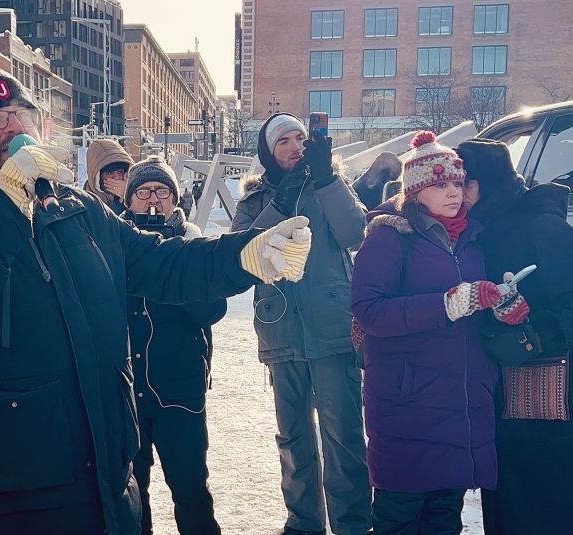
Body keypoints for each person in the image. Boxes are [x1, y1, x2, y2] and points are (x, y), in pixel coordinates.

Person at [0, 69, 313, 535]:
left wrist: (245, 254)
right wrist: (4, 205)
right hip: (13, 493)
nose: (14, 128)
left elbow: (160, 263)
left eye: (21, 116)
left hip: (108, 471)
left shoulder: (77, 209)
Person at [352, 132, 524, 534]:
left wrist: (503, 308)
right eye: (440, 184)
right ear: (416, 192)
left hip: (463, 407)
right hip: (408, 407)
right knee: (398, 520)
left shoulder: (473, 237)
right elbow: (369, 311)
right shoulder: (389, 235)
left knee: (445, 520)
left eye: (458, 183)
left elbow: (475, 306)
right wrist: (447, 304)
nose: (453, 192)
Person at [230, 112, 371, 535]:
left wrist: (326, 178)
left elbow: (354, 233)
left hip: (332, 328)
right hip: (281, 330)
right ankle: (303, 522)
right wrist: (282, 201)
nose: (294, 146)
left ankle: (353, 524)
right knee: (293, 438)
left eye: (299, 138)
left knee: (343, 434)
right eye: (282, 142)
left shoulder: (330, 186)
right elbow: (242, 254)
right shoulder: (254, 202)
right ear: (268, 154)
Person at [455, 138, 573, 534]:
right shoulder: (482, 228)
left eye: (464, 184)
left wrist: (534, 333)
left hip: (549, 399)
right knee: (506, 496)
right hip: (502, 393)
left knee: (544, 501)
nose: (456, 194)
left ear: (484, 184)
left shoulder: (541, 225)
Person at [119, 157, 225, 535]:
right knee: (133, 495)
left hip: (180, 391)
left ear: (175, 200)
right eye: (144, 192)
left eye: (162, 191)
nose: (153, 200)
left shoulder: (192, 242)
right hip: (127, 392)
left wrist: (171, 257)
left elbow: (212, 310)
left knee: (192, 490)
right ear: (129, 201)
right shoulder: (116, 245)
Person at [85, 138, 133, 214]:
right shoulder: (84, 203)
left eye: (120, 172)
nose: (117, 177)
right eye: (109, 173)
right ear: (97, 177)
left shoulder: (137, 196)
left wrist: (129, 196)